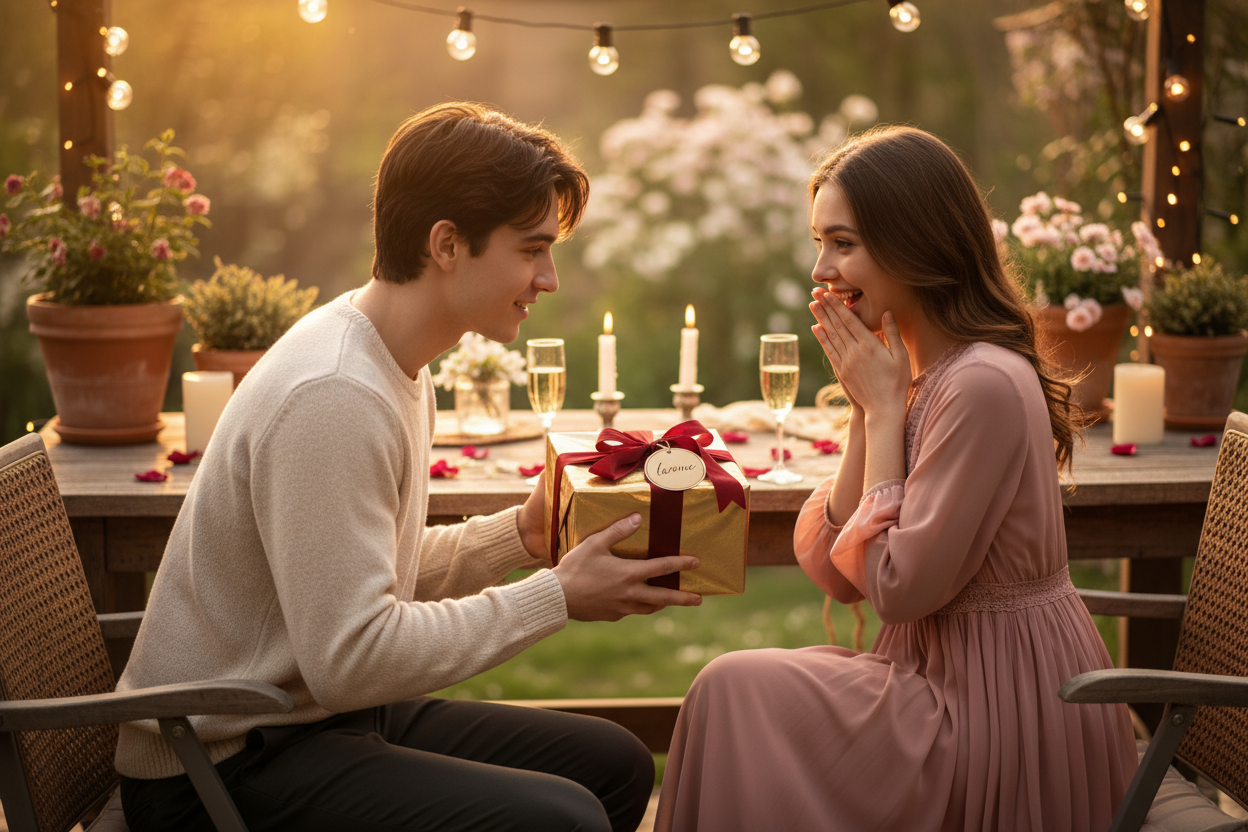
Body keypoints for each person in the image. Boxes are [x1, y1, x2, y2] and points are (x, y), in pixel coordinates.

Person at [114, 102, 704, 832]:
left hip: (310, 714)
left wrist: (518, 536)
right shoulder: (334, 394)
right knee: (563, 818)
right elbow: (352, 656)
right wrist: (554, 597)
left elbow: (355, 575)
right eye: (531, 249)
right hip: (218, 764)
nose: (548, 278)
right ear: (447, 244)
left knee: (611, 762)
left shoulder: (393, 360)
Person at [655, 125, 1137, 832]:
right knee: (732, 690)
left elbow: (899, 590)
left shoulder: (982, 383)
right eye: (819, 242)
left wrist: (882, 413)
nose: (822, 268)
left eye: (843, 244)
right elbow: (835, 571)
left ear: (917, 244)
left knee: (737, 690)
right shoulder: (915, 375)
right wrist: (866, 408)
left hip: (1000, 709)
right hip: (929, 677)